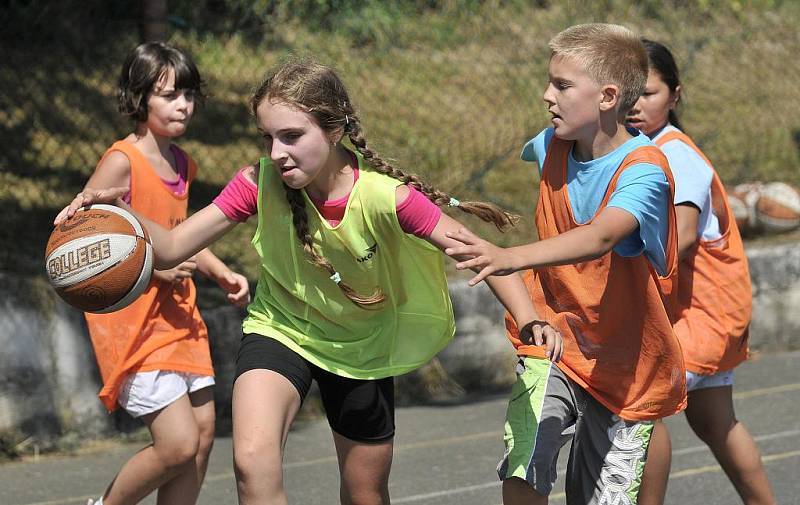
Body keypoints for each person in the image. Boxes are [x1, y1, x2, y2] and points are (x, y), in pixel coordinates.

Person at [56, 59, 563, 505]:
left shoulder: (386, 198)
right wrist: (109, 210)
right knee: (252, 464)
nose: (276, 152)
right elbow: (168, 246)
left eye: (291, 136)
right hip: (282, 329)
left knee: (365, 493)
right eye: (267, 138)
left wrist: (530, 318)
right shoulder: (257, 183)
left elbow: (479, 252)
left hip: (361, 345)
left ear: (335, 130)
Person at [443, 23, 687, 504]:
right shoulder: (550, 145)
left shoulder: (646, 171)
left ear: (608, 96)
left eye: (562, 85)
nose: (546, 95)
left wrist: (509, 256)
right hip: (552, 339)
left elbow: (599, 236)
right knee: (523, 462)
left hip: (625, 363)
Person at [75, 42, 250, 505]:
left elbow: (180, 233)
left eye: (188, 95)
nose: (183, 106)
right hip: (133, 322)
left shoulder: (182, 163)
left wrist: (220, 271)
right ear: (139, 99)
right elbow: (84, 242)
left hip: (179, 319)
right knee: (177, 445)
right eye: (169, 95)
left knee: (204, 434)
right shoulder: (121, 161)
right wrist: (156, 269)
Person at [628, 39, 775, 505]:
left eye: (648, 93)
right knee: (714, 421)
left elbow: (684, 234)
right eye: (627, 91)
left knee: (639, 412)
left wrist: (609, 251)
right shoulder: (649, 148)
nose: (635, 104)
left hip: (699, 314)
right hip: (704, 313)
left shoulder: (675, 155)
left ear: (674, 95)